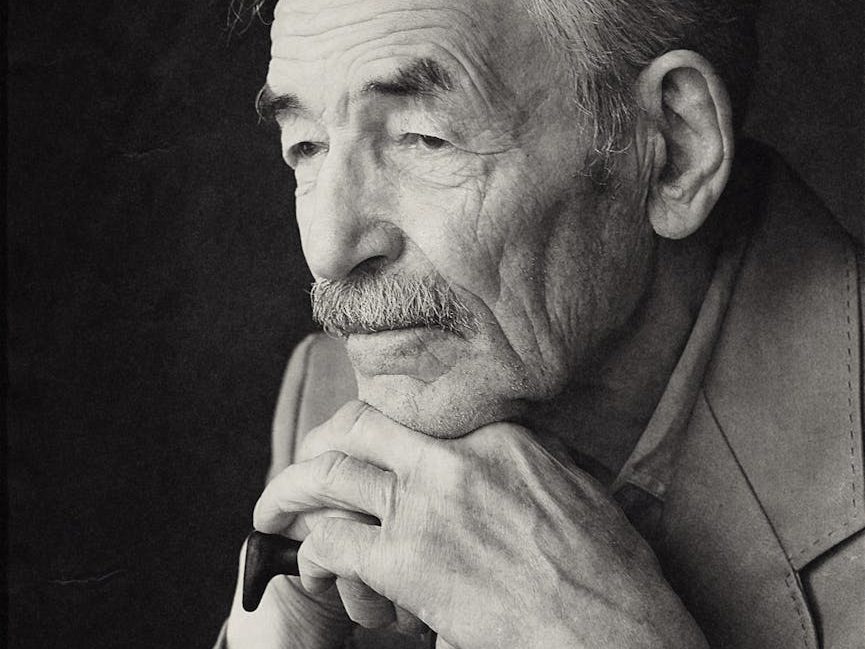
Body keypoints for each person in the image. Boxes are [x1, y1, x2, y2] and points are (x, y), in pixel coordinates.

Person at [218, 0, 864, 647]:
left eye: (423, 138)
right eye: (305, 145)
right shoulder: (334, 397)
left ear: (672, 148)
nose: (327, 248)